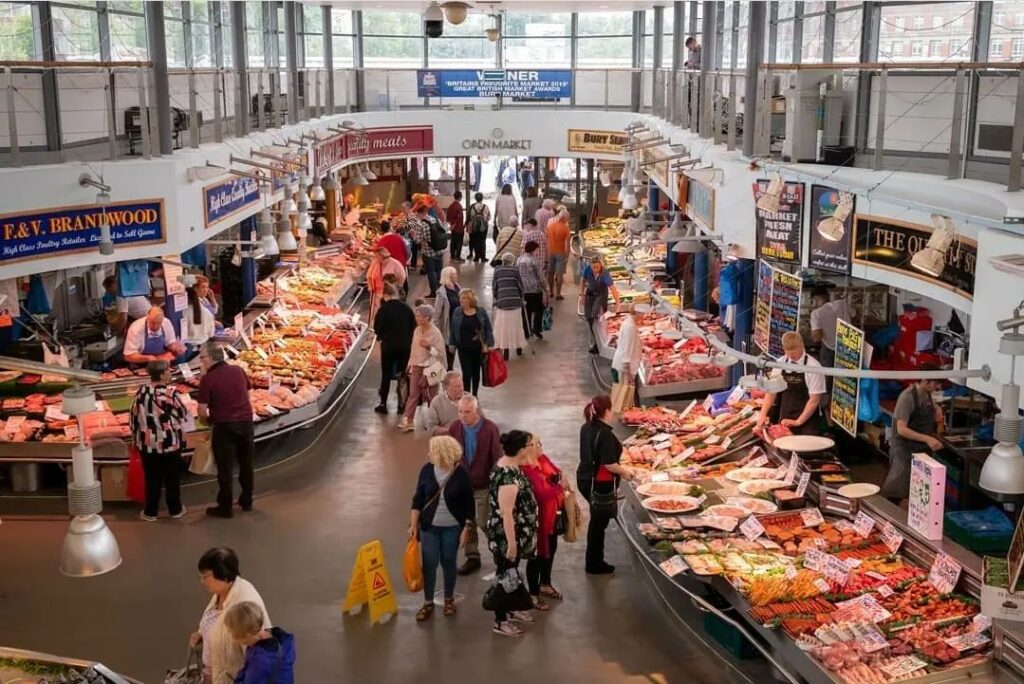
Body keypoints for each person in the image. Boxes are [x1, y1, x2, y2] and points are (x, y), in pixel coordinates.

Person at [409, 435, 476, 621]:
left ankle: (448, 599)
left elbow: (469, 505)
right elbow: (418, 498)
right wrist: (413, 524)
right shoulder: (426, 470)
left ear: (442, 453)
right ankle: (428, 601)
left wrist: (467, 529)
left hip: (452, 527)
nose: (428, 453)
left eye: (432, 450)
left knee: (448, 562)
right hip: (429, 527)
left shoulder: (461, 474)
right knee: (429, 564)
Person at [486, 430, 540, 637]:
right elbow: (506, 512)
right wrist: (511, 544)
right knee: (505, 576)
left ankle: (511, 608)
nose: (533, 447)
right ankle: (500, 621)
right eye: (530, 445)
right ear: (520, 450)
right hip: (506, 536)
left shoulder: (512, 466)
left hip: (515, 533)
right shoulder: (508, 476)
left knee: (512, 574)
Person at [190, 547, 270, 684]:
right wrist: (201, 632)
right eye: (201, 576)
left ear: (224, 574)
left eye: (206, 576)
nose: (202, 582)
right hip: (214, 676)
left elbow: (258, 656)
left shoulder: (245, 603)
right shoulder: (221, 592)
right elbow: (216, 622)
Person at [578, 395, 634, 574]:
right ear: (606, 411)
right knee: (598, 522)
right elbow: (609, 463)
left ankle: (593, 561)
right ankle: (594, 563)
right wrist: (626, 473)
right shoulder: (605, 434)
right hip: (599, 482)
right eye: (611, 408)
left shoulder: (586, 427)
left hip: (585, 477)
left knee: (597, 520)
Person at [198, 342, 255, 518]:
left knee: (225, 468)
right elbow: (248, 389)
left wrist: (207, 422)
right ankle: (247, 501)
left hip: (224, 426)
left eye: (202, 358)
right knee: (246, 464)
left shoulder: (208, 378)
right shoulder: (238, 370)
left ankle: (225, 507)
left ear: (209, 358)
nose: (201, 362)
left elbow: (201, 410)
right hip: (246, 423)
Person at [448, 394, 502, 574]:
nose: (463, 416)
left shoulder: (490, 429)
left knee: (484, 522)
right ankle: (472, 557)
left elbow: (497, 458)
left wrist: (497, 483)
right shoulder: (455, 427)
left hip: (483, 485)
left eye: (467, 412)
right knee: (467, 522)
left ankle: (499, 553)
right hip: (463, 487)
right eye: (460, 412)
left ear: (476, 411)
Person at [129, 360, 188, 522]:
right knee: (172, 478)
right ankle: (175, 509)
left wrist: (135, 436)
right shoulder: (170, 393)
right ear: (161, 374)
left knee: (152, 478)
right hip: (170, 442)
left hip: (147, 443)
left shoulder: (140, 392)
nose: (170, 373)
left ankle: (150, 512)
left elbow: (133, 416)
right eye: (168, 371)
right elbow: (183, 412)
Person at [881, 372, 945, 502]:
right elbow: (901, 429)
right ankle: (889, 516)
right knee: (898, 486)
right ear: (925, 381)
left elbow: (929, 406)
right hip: (904, 448)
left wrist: (937, 409)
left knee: (917, 488)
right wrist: (928, 439)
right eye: (935, 383)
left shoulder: (926, 394)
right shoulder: (907, 397)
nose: (937, 387)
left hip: (920, 447)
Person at [756, 331, 827, 436]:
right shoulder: (780, 363)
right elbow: (771, 392)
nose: (791, 355)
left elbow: (814, 400)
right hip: (785, 418)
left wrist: (798, 421)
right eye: (787, 351)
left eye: (794, 351)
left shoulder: (814, 367)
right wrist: (763, 414)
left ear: (802, 346)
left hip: (807, 422)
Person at [522, 434, 565, 610]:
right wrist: (555, 486)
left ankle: (545, 583)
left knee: (551, 549)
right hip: (537, 519)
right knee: (536, 556)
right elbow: (542, 493)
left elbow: (557, 473)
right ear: (528, 447)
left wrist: (554, 482)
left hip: (552, 516)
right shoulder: (525, 469)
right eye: (537, 443)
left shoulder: (542, 459)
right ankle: (532, 594)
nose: (541, 446)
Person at [398, 305, 447, 433]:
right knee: (413, 394)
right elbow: (414, 349)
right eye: (416, 316)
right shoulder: (417, 330)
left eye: (419, 316)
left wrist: (429, 347)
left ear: (428, 317)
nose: (416, 318)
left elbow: (440, 355)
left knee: (432, 396)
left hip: (433, 367)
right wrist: (410, 363)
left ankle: (433, 422)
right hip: (417, 366)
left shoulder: (435, 333)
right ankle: (408, 420)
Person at [224, 602, 295, 684]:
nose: (231, 635)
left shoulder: (260, 659)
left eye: (231, 631)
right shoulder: (280, 642)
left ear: (246, 634)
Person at [373, 284, 416, 415]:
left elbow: (377, 328)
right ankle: (401, 405)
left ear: (385, 295)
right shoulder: (407, 308)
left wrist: (381, 337)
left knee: (386, 375)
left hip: (388, 346)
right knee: (403, 375)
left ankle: (383, 404)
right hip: (404, 346)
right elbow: (413, 327)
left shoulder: (383, 309)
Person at [448, 289, 494, 396]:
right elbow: (453, 329)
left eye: (464, 298)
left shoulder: (481, 312)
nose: (461, 300)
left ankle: (475, 394)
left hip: (478, 348)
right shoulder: (457, 312)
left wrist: (488, 343)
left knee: (476, 372)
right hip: (463, 348)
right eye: (460, 298)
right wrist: (452, 343)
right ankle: (467, 394)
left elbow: (487, 328)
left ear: (470, 299)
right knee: (466, 373)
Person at [581, 257, 621, 355]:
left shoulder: (604, 273)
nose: (595, 269)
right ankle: (594, 342)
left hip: (601, 295)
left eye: (597, 267)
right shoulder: (587, 269)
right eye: (593, 267)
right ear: (590, 266)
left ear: (600, 265)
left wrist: (618, 303)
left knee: (597, 317)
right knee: (588, 317)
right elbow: (582, 280)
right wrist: (581, 294)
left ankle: (598, 344)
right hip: (590, 294)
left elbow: (612, 288)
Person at [492, 252, 527, 360]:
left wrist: (496, 297)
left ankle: (505, 349)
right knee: (516, 325)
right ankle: (518, 347)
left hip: (502, 302)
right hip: (515, 302)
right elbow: (521, 286)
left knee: (503, 326)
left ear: (503, 260)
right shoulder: (515, 270)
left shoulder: (497, 270)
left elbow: (495, 286)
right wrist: (522, 297)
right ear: (512, 261)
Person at [810, 286, 852, 370]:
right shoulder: (842, 303)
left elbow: (817, 338)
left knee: (827, 375)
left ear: (816, 298)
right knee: (845, 378)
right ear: (828, 295)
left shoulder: (816, 313)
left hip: (829, 348)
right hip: (847, 346)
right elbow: (855, 315)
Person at [426, 371, 476, 436]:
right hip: (447, 440)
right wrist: (451, 430)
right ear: (446, 387)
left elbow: (482, 421)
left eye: (461, 385)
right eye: (456, 387)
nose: (461, 389)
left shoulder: (470, 399)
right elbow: (430, 426)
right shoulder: (437, 402)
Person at [410, 204, 444, 298]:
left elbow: (418, 240)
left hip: (428, 252)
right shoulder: (435, 219)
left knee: (431, 272)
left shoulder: (421, 224)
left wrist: (413, 235)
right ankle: (440, 290)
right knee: (439, 270)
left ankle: (433, 292)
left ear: (419, 213)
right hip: (439, 250)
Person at [367, 245, 407, 323]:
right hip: (376, 292)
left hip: (389, 294)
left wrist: (396, 287)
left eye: (376, 256)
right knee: (376, 312)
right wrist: (370, 286)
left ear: (382, 255)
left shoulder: (395, 263)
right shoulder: (375, 263)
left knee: (388, 311)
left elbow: (402, 276)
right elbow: (369, 275)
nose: (375, 258)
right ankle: (376, 327)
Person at [431, 266, 461, 371]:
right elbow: (437, 313)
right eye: (454, 275)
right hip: (448, 325)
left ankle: (450, 369)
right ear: (448, 276)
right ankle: (449, 370)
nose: (456, 276)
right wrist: (436, 330)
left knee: (455, 346)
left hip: (458, 323)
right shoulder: (442, 293)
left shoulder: (457, 287)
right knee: (449, 348)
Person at [517, 241, 549, 340]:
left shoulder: (519, 259)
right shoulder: (535, 261)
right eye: (537, 249)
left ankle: (526, 331)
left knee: (526, 311)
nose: (538, 251)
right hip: (535, 289)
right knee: (539, 309)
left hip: (523, 289)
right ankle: (536, 328)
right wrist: (546, 289)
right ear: (533, 249)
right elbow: (541, 277)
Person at [546, 207, 572, 300]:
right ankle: (558, 294)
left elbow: (547, 240)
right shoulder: (565, 228)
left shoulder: (550, 226)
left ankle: (551, 292)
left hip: (550, 251)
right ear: (564, 218)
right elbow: (567, 244)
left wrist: (547, 252)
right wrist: (567, 256)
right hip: (560, 252)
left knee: (550, 273)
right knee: (559, 274)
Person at [610, 313, 642, 384]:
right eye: (642, 313)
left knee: (622, 391)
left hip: (623, 364)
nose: (643, 316)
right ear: (638, 313)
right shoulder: (630, 327)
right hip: (625, 367)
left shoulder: (628, 322)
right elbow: (626, 348)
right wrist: (627, 370)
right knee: (624, 392)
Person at [184, 281, 217, 348]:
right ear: (195, 289)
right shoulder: (206, 312)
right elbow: (211, 333)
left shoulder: (183, 312)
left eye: (207, 287)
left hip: (190, 347)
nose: (206, 289)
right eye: (203, 287)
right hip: (202, 345)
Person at [466, 192, 491, 263]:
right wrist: (485, 221)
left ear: (475, 198)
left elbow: (469, 217)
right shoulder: (485, 206)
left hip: (474, 226)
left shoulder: (472, 206)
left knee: (475, 241)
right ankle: (483, 257)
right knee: (482, 241)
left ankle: (476, 257)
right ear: (482, 198)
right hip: (483, 226)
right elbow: (489, 217)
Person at [446, 190, 466, 261]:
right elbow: (459, 217)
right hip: (458, 227)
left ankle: (452, 255)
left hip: (452, 227)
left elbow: (448, 217)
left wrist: (451, 226)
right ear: (460, 197)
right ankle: (458, 256)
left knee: (453, 241)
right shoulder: (459, 206)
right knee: (459, 242)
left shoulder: (451, 206)